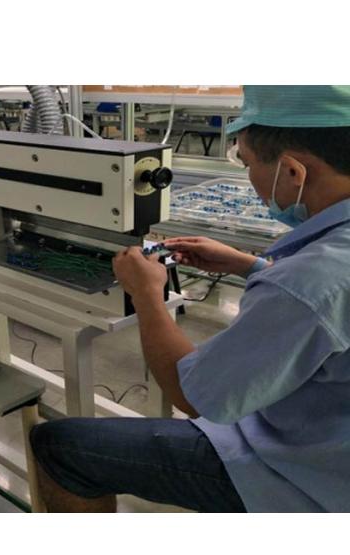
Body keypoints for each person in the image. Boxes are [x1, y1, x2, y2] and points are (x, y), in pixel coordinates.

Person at [30, 85, 350, 513]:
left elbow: (195, 397)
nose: (249, 176)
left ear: (293, 171)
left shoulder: (309, 281)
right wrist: (250, 266)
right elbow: (328, 306)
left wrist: (147, 295)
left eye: (247, 163)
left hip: (309, 472)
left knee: (58, 446)